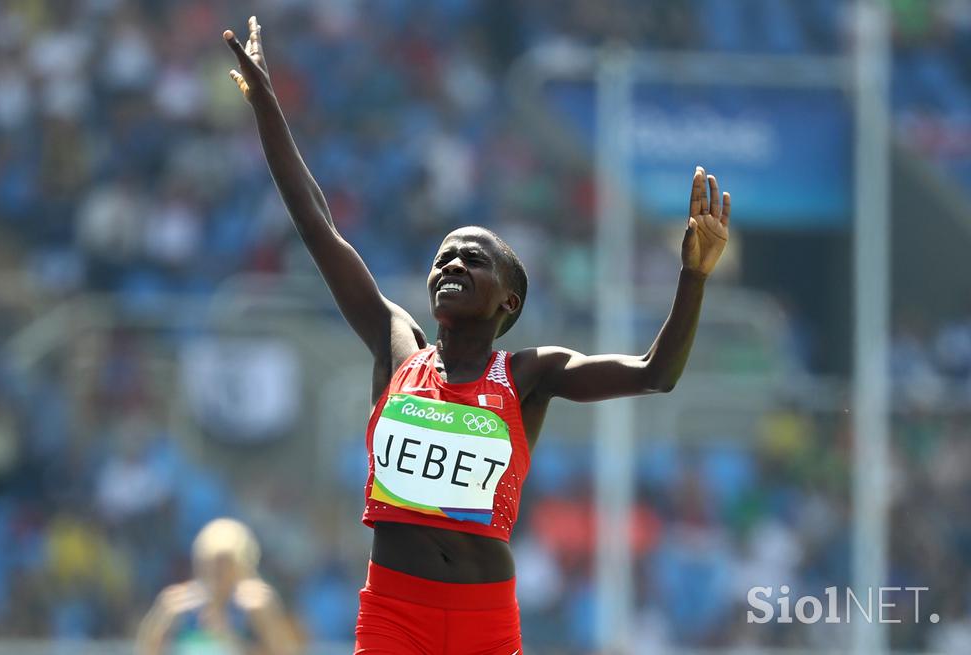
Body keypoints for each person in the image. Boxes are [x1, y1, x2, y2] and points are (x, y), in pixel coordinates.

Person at [224, 15, 730, 654]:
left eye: (474, 259)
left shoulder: (529, 376)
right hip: (393, 614)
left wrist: (693, 276)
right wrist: (268, 105)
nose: (452, 264)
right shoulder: (395, 343)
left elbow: (657, 373)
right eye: (444, 257)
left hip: (484, 622)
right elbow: (317, 223)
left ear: (508, 300)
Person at [136, 518, 303, 655]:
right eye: (210, 563)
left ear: (243, 566)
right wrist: (160, 622)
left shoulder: (255, 606)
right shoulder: (179, 607)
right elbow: (147, 649)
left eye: (226, 564)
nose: (218, 573)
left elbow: (283, 650)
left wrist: (264, 622)